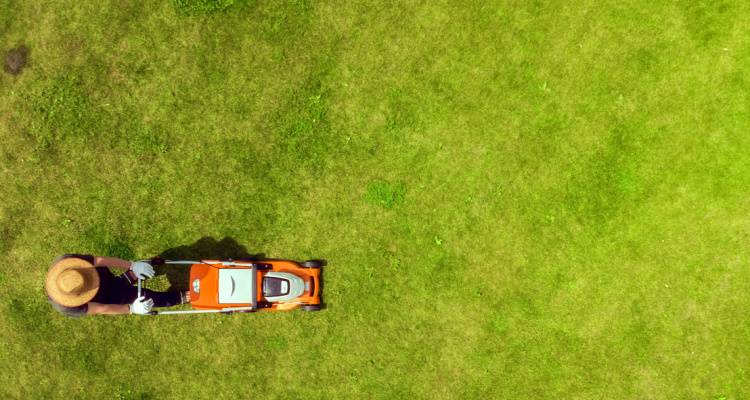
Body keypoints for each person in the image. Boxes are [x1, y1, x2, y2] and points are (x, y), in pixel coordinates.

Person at [45, 254, 189, 317]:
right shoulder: (68, 306)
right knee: (147, 298)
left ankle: (130, 276)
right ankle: (180, 297)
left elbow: (99, 260)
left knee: (118, 282)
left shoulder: (67, 261)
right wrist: (132, 308)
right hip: (107, 297)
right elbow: (101, 308)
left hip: (102, 275)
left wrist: (132, 265)